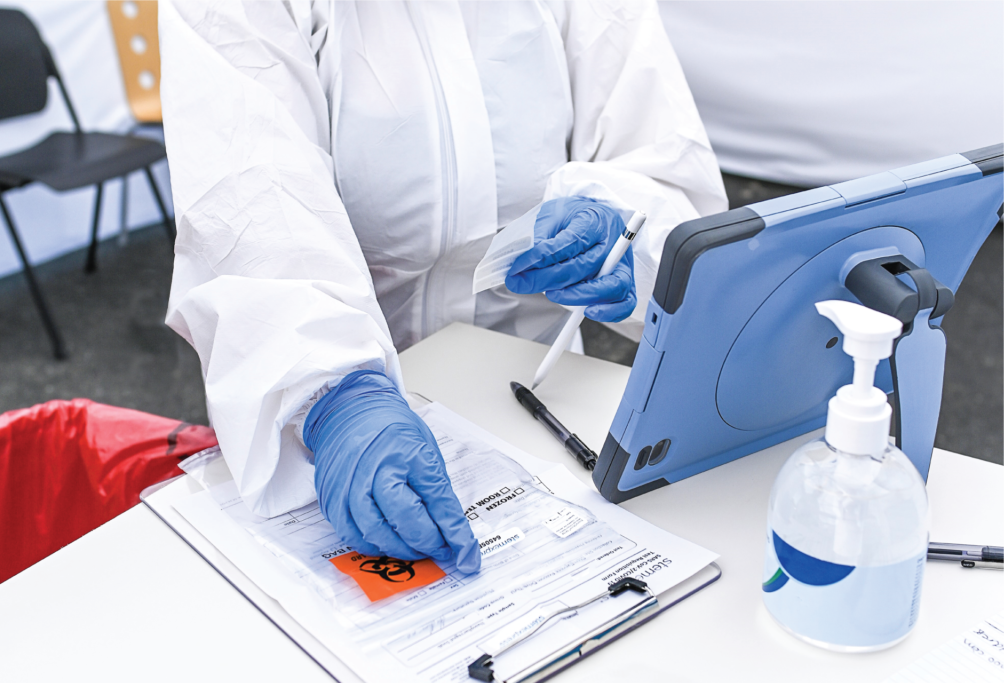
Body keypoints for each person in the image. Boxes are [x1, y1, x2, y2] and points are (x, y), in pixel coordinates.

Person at [159, 0, 727, 574]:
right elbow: (253, 199)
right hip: (327, 424)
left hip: (543, 400)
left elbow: (662, 160)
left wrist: (622, 225)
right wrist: (333, 394)